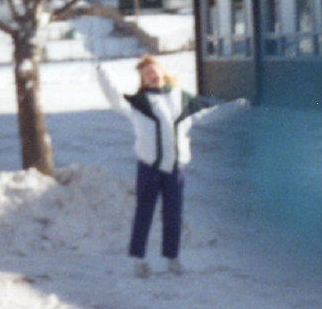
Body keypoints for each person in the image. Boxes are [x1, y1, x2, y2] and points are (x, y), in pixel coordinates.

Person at [97, 54, 241, 277]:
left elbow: (208, 113)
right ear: (143, 80)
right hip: (149, 167)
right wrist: (102, 72)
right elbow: (114, 98)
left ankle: (172, 258)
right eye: (146, 75)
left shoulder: (181, 98)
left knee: (173, 214)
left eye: (154, 71)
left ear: (162, 72)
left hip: (175, 168)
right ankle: (139, 260)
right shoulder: (139, 103)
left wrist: (237, 107)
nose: (152, 77)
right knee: (144, 213)